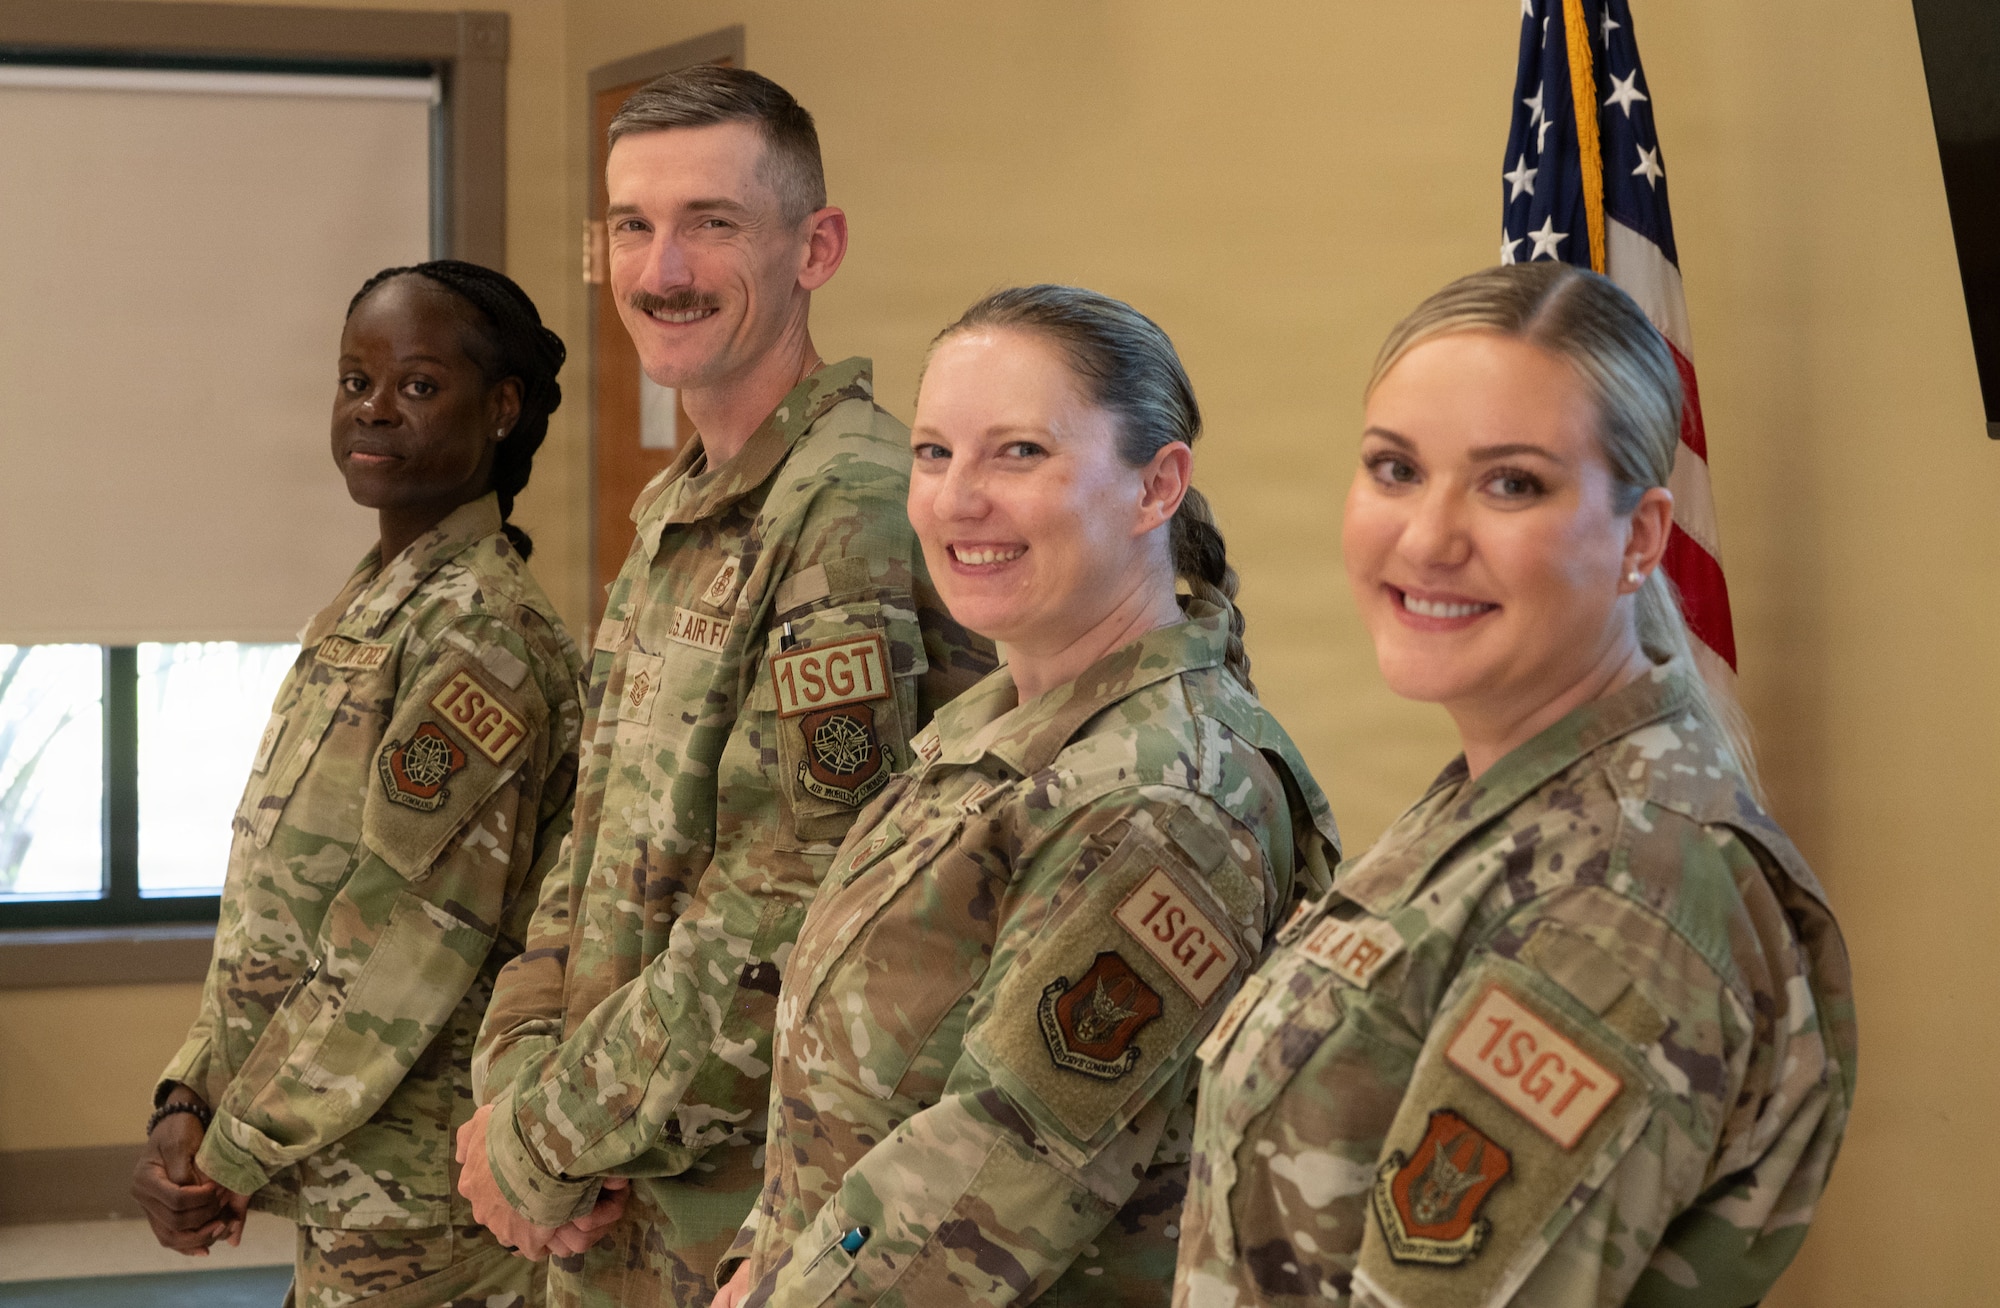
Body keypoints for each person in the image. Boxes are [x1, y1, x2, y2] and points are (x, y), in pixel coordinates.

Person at [1174, 263, 1857, 1308]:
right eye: (1394, 469)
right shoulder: (1506, 801)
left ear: (1638, 537)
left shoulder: (1615, 903)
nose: (1429, 537)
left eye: (1510, 484)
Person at [453, 66, 995, 1305]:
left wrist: (541, 1140)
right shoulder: (681, 508)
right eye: (632, 227)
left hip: (749, 1214)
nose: (664, 270)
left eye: (713, 223)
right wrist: (518, 1070)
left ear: (817, 247)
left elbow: (784, 907)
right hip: (616, 1190)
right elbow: (587, 853)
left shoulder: (849, 504)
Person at [711, 284, 1340, 1308]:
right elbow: (845, 1096)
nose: (958, 498)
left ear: (1153, 487)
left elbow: (1002, 1166)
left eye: (1018, 453)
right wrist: (764, 1258)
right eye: (932, 452)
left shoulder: (1161, 795)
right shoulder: (991, 727)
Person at [131, 260, 585, 1307]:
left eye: (419, 386)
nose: (374, 409)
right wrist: (188, 1093)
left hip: (423, 1196)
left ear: (502, 410)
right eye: (354, 380)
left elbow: (405, 944)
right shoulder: (377, 603)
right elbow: (279, 907)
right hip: (344, 1171)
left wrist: (235, 1144)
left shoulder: (480, 635)